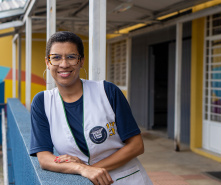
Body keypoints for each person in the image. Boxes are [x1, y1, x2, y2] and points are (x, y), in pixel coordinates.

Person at [30, 31, 153, 185]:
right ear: (48, 63)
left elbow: (136, 146)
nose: (64, 64)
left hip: (127, 179)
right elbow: (44, 158)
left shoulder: (107, 91)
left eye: (71, 57)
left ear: (81, 61)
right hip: (84, 181)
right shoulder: (42, 102)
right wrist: (81, 169)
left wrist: (90, 168)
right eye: (56, 57)